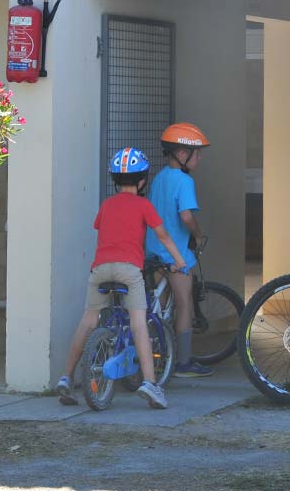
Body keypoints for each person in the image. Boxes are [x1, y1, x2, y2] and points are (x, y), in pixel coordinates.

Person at [57, 148, 187, 409]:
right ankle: (150, 383)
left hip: (100, 269)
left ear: (115, 180)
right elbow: (162, 235)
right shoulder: (143, 204)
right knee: (139, 322)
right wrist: (179, 260)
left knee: (88, 321)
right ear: (142, 180)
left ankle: (66, 377)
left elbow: (100, 227)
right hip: (129, 270)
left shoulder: (106, 204)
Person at [146, 122, 212, 377]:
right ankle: (183, 362)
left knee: (159, 307)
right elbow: (186, 216)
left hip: (154, 250)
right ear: (183, 154)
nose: (200, 157)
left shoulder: (160, 177)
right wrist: (198, 234)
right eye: (197, 152)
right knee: (184, 304)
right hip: (176, 254)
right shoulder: (184, 181)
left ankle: (158, 358)